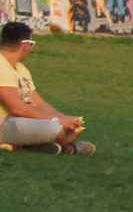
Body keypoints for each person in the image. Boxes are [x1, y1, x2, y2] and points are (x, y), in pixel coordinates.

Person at [0, 24, 92, 154]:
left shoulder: (20, 68)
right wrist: (56, 121)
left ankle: (28, 145)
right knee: (56, 130)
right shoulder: (2, 67)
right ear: (25, 45)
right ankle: (70, 149)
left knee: (63, 129)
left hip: (17, 121)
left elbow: (37, 102)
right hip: (4, 123)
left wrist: (66, 119)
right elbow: (16, 107)